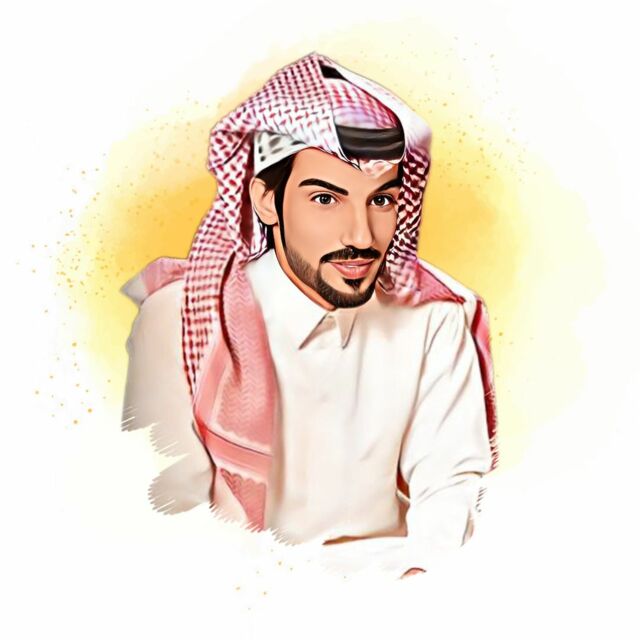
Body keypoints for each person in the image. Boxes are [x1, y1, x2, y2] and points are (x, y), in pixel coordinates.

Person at [121, 52, 498, 579]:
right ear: (266, 201)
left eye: (382, 201)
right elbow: (167, 511)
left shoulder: (433, 318)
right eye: (326, 199)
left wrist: (420, 582)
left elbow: (450, 485)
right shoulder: (180, 318)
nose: (361, 236)